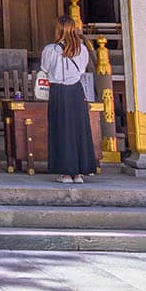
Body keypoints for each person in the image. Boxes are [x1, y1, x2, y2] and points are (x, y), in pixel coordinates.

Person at [40, 14, 97, 183]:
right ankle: (79, 173)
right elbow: (82, 69)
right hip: (76, 91)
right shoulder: (82, 49)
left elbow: (45, 68)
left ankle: (66, 172)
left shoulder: (50, 50)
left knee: (61, 129)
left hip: (58, 90)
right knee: (79, 128)